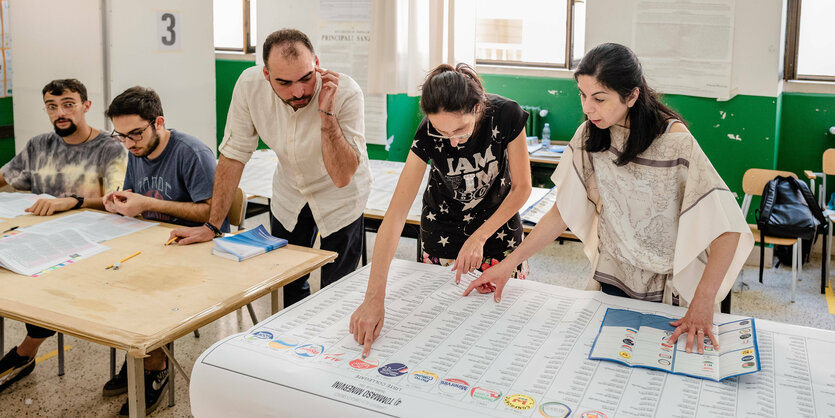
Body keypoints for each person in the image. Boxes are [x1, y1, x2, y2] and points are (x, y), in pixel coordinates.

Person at [465, 43, 754, 354]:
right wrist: (510, 264)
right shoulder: (590, 135)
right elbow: (562, 212)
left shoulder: (675, 143)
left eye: (599, 98)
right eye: (582, 95)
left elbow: (727, 228)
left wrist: (703, 302)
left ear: (631, 96)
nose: (588, 108)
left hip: (668, 289)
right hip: (613, 276)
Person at [169, 29, 371, 308]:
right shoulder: (250, 86)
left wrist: (326, 115)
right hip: (290, 194)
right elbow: (232, 155)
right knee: (286, 286)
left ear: (317, 64)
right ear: (266, 74)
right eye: (284, 82)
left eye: (306, 78)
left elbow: (342, 177)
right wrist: (213, 225)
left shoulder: (346, 92)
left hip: (340, 199)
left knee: (336, 294)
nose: (298, 91)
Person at [349, 63, 532, 357]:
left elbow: (522, 187)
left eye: (460, 129)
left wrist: (479, 237)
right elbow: (395, 216)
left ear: (477, 107)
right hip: (443, 234)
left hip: (498, 235)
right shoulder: (426, 134)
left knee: (499, 338)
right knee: (443, 338)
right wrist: (374, 298)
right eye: (442, 132)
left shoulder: (507, 115)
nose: (453, 141)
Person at [101, 86, 225, 416]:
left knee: (146, 290)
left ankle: (154, 367)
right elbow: (135, 195)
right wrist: (119, 202)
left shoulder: (192, 153)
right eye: (121, 136)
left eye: (135, 134)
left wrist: (148, 204)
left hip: (194, 250)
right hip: (153, 241)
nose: (128, 144)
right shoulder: (136, 150)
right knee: (108, 280)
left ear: (159, 122)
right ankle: (139, 357)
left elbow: (214, 214)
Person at [0, 79, 127, 394]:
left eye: (69, 104)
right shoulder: (40, 145)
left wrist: (73, 200)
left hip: (99, 245)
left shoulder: (110, 147)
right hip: (46, 240)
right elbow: (5, 177)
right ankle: (26, 353)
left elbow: (118, 199)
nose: (60, 112)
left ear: (86, 106)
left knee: (42, 280)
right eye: (52, 106)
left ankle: (25, 352)